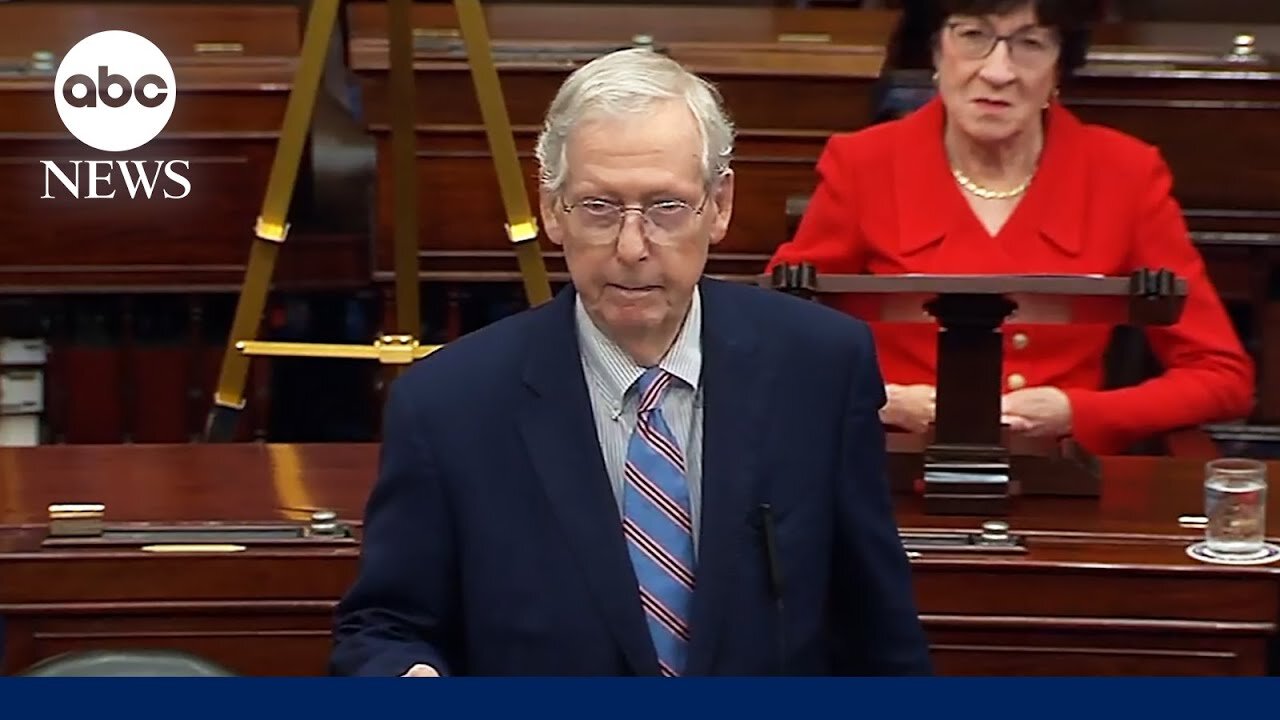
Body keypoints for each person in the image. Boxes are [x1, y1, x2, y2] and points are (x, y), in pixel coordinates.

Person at [330, 48, 931, 677]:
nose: (631, 247)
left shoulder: (822, 370)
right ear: (551, 209)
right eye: (598, 207)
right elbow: (383, 628)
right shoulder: (449, 404)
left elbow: (879, 636)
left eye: (667, 208)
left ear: (719, 205)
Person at [768, 0, 1254, 456]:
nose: (998, 71)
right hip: (889, 476)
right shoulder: (864, 165)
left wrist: (1078, 412)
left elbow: (1222, 375)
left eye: (1030, 43)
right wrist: (880, 400)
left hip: (1065, 481)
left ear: (1059, 67)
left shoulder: (1124, 173)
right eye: (973, 35)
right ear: (937, 49)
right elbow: (769, 341)